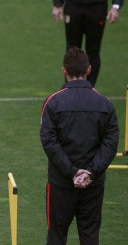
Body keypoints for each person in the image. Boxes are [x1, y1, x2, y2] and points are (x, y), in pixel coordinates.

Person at [40, 47, 119, 245]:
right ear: (89, 70)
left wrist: (72, 172)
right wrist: (90, 172)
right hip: (93, 185)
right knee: (90, 237)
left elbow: (49, 142)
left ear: (64, 71)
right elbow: (110, 144)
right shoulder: (105, 105)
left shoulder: (53, 103)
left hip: (60, 184)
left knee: (56, 237)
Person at [52, 0, 126, 87]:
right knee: (71, 49)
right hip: (73, 7)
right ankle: (70, 87)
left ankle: (89, 88)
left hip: (97, 8)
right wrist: (57, 3)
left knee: (93, 50)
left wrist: (116, 6)